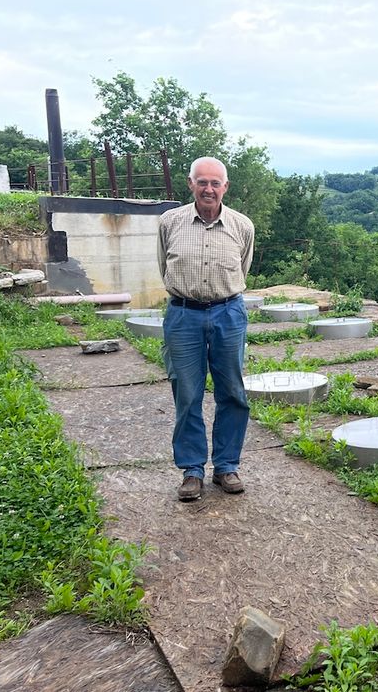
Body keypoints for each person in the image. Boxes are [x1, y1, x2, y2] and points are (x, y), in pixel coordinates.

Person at [157, 157, 255, 502]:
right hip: (183, 316)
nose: (208, 189)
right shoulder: (170, 222)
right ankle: (192, 470)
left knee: (232, 392)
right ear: (191, 184)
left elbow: (243, 268)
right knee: (187, 394)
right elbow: (163, 267)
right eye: (202, 182)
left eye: (215, 183)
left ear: (225, 187)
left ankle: (226, 466)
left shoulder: (242, 226)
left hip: (228, 313)